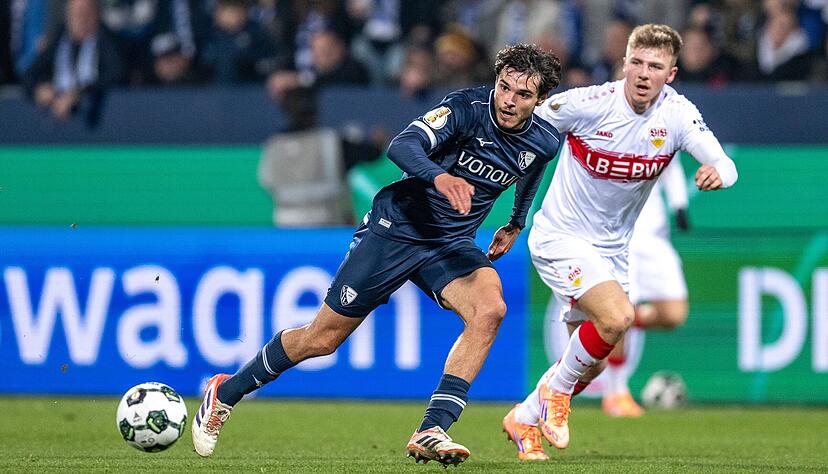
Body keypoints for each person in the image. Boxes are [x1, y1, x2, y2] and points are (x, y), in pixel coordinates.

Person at [193, 43, 563, 466]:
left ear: (540, 101)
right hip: (397, 229)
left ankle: (432, 427)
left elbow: (531, 170)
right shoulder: (464, 108)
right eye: (504, 87)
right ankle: (225, 393)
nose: (509, 100)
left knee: (490, 309)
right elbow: (402, 146)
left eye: (523, 94)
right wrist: (440, 178)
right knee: (322, 339)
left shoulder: (544, 140)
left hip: (450, 243)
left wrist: (516, 222)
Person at [500, 24, 738, 461]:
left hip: (614, 251)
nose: (645, 73)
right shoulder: (588, 104)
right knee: (617, 318)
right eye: (638, 62)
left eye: (656, 66)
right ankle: (556, 398)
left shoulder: (678, 115)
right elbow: (518, 126)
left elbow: (722, 160)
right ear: (624, 63)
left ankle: (524, 417)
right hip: (561, 236)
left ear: (672, 73)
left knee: (591, 362)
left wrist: (720, 173)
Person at [601, 158, 691, 418]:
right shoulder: (610, 124)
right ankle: (615, 392)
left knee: (674, 314)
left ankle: (605, 321)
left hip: (655, 237)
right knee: (623, 308)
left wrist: (679, 204)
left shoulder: (664, 124)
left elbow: (670, 167)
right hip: (621, 236)